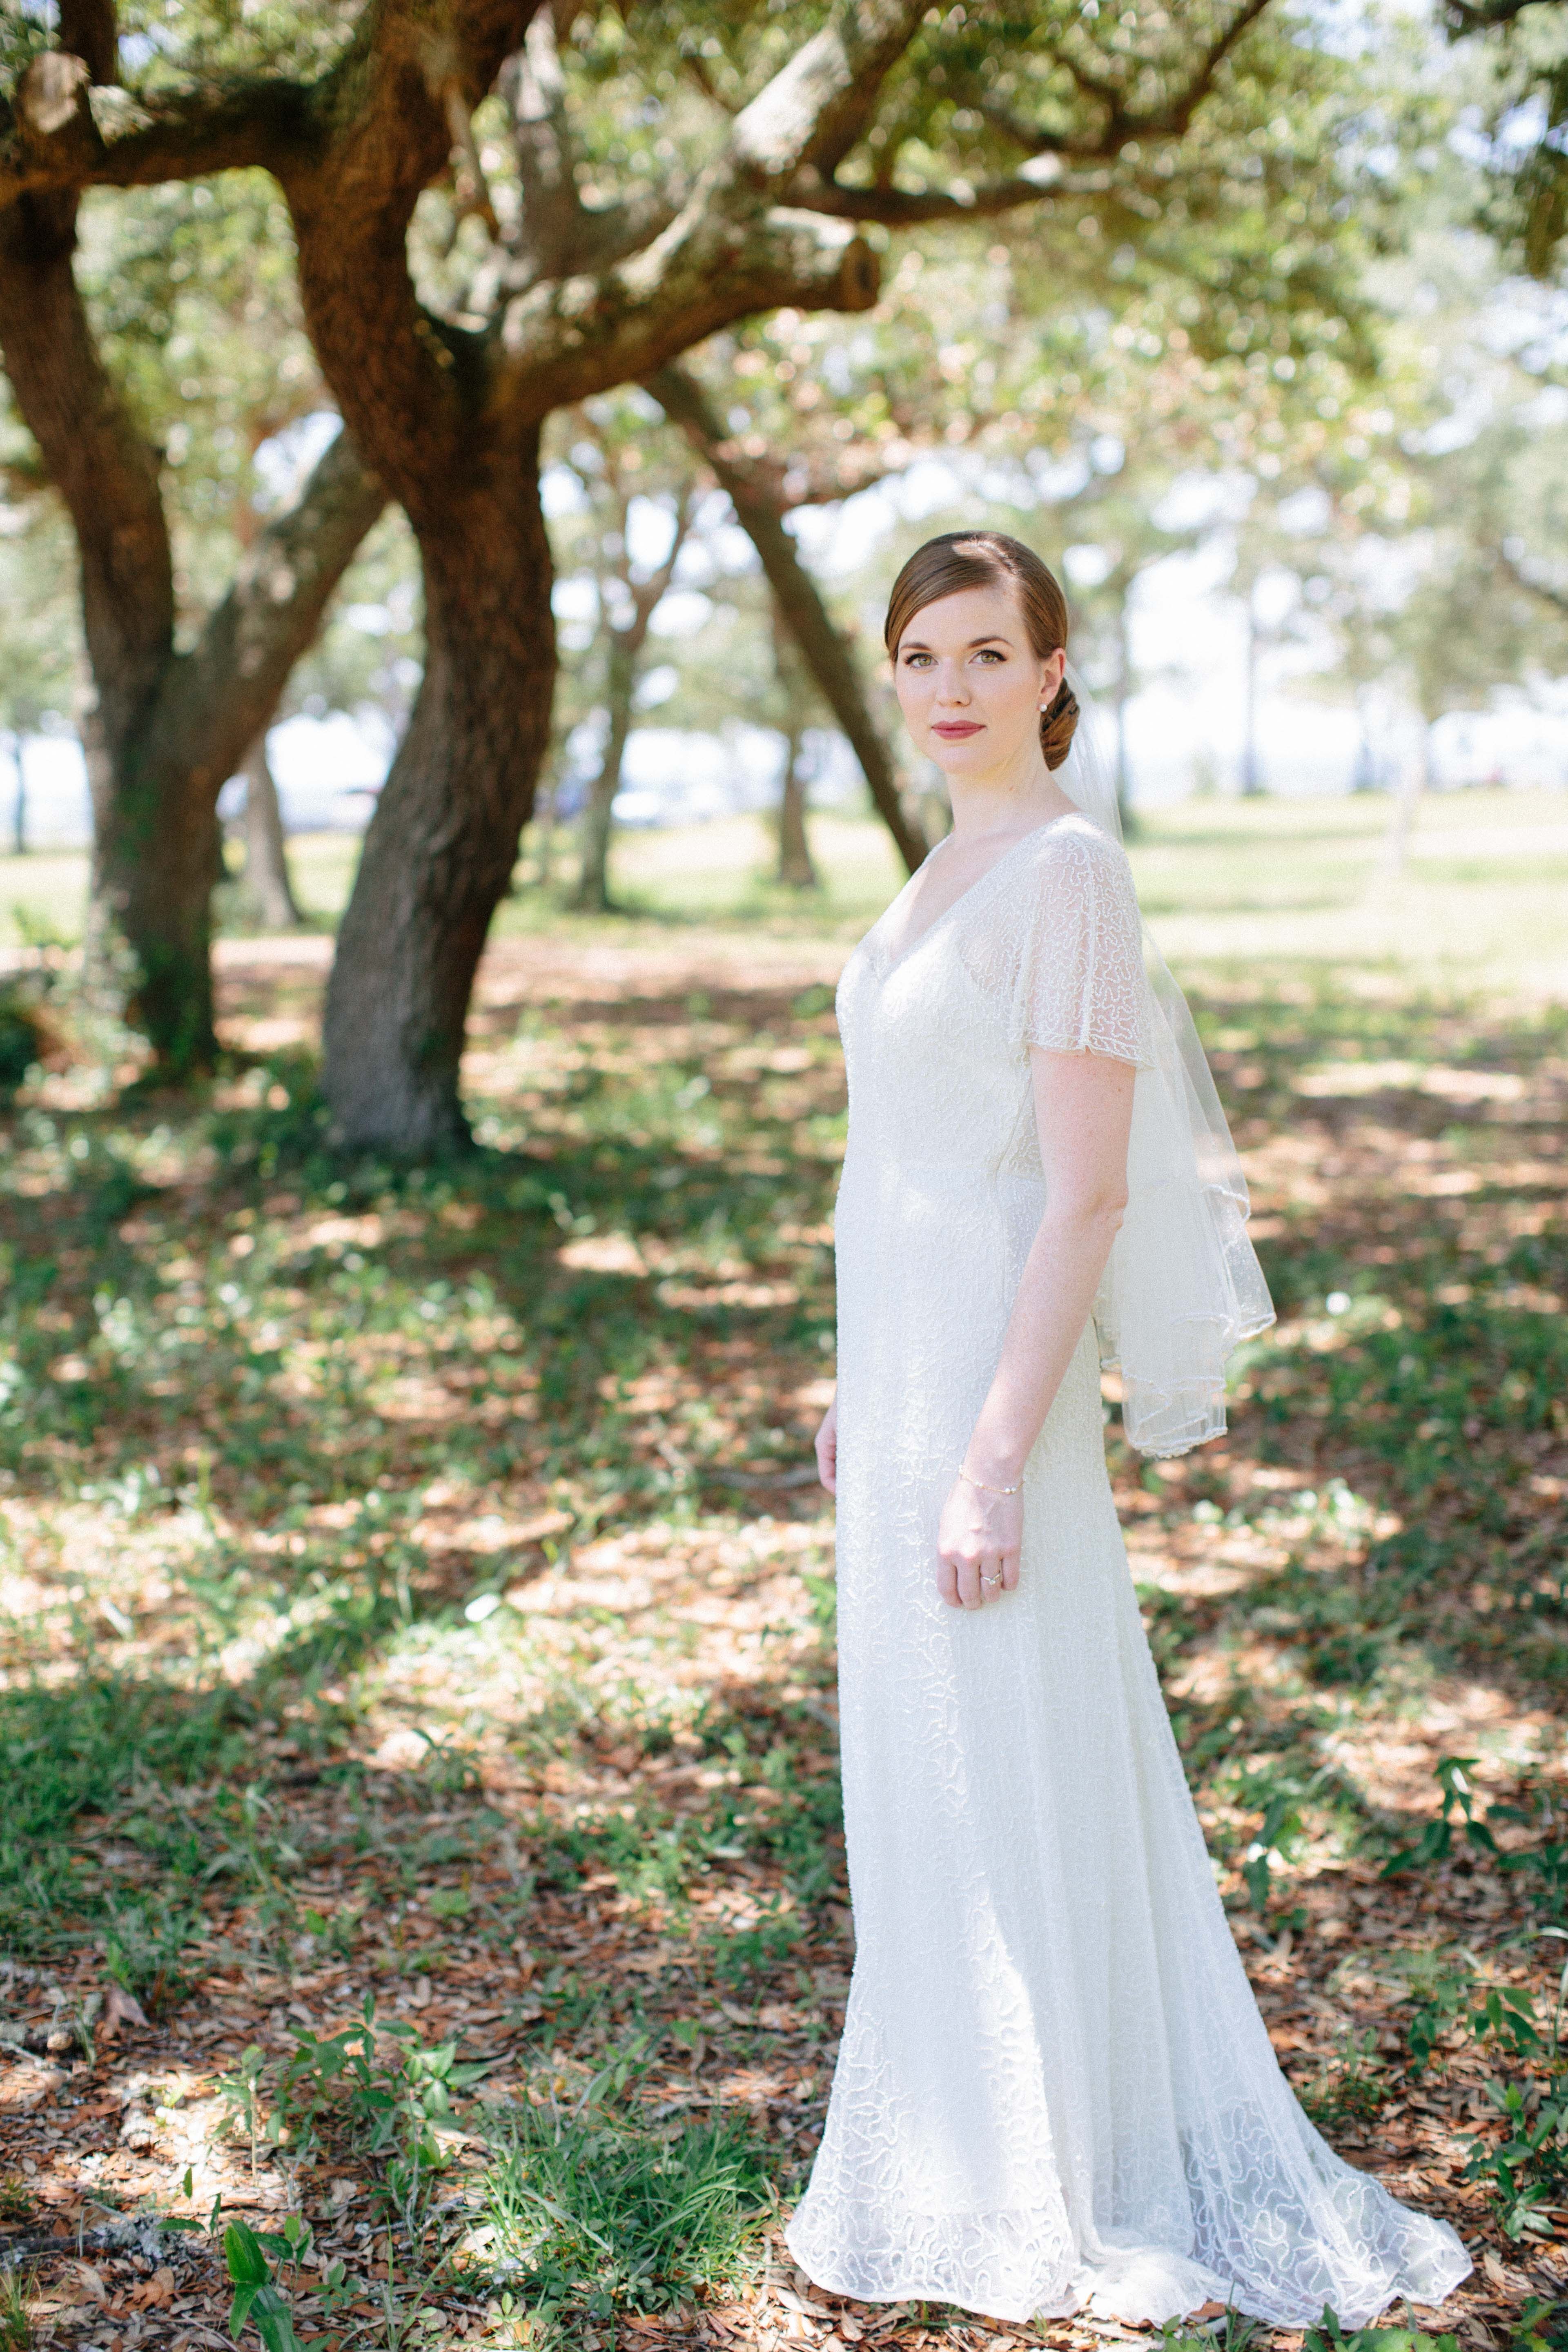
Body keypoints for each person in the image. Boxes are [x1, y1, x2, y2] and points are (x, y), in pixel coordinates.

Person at [784, 532, 1471, 2328]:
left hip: (995, 1392)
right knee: (926, 1764)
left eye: (985, 652)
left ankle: (1066, 2168)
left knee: (1014, 1745)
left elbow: (1083, 1201)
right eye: (922, 653)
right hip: (909, 1364)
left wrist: (996, 1448)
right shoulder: (945, 867)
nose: (948, 685)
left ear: (1050, 670)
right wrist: (861, 1380)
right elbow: (903, 1157)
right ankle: (956, 2140)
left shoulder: (1070, 878)